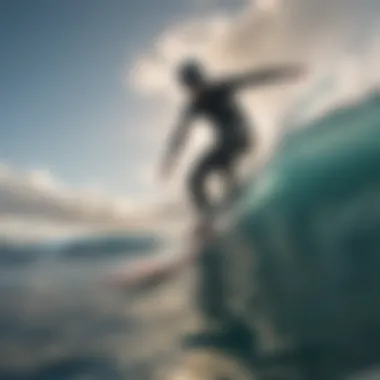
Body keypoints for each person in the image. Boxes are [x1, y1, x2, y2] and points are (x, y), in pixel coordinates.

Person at [160, 59, 306, 222]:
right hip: (225, 145)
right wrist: (169, 161)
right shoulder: (194, 106)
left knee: (224, 151)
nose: (195, 90)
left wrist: (285, 72)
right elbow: (180, 135)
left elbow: (254, 78)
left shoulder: (220, 88)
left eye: (196, 83)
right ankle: (214, 219)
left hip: (241, 137)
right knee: (198, 180)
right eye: (190, 87)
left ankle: (217, 213)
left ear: (201, 78)